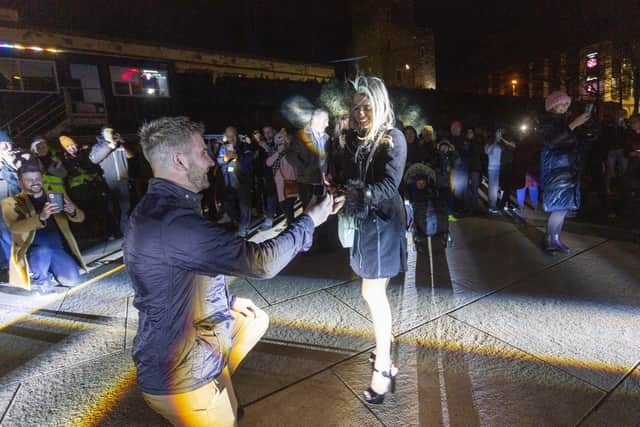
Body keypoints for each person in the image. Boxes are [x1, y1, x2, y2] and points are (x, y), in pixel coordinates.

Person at [124, 116, 340, 426]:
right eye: (202, 153)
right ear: (179, 160)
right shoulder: (174, 222)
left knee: (252, 320)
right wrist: (309, 221)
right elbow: (260, 262)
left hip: (179, 346)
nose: (211, 160)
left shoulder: (160, 209)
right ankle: (212, 398)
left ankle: (220, 386)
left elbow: (177, 277)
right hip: (180, 375)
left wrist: (227, 301)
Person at [334, 75, 406, 404]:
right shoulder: (357, 138)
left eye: (367, 106)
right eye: (357, 107)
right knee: (373, 291)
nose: (361, 112)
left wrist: (356, 192)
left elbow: (388, 187)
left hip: (384, 225)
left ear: (380, 105)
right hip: (366, 223)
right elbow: (348, 175)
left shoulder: (394, 138)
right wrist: (342, 191)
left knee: (372, 293)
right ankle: (383, 346)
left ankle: (385, 368)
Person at [2, 161, 85, 294]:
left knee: (73, 281)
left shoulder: (56, 195)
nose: (35, 182)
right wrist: (41, 217)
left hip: (57, 248)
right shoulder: (11, 202)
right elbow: (14, 227)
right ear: (20, 183)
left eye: (37, 178)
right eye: (29, 180)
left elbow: (81, 217)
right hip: (34, 251)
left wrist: (73, 212)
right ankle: (41, 280)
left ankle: (50, 270)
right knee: (43, 251)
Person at [540, 91, 591, 253]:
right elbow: (551, 141)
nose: (564, 107)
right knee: (558, 206)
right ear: (553, 105)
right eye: (561, 104)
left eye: (567, 104)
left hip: (568, 167)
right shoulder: (547, 122)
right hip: (555, 169)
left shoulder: (566, 121)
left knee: (563, 206)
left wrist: (588, 126)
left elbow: (582, 140)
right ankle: (549, 239)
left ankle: (555, 238)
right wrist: (573, 125)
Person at [90, 126, 131, 237]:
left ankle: (125, 232)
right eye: (107, 132)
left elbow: (131, 155)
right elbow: (94, 159)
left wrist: (123, 143)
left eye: (111, 132)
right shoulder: (98, 147)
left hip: (123, 180)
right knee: (111, 209)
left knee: (125, 208)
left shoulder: (120, 145)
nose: (110, 134)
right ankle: (114, 232)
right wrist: (110, 146)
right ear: (102, 134)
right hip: (108, 182)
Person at [289, 109, 330, 208]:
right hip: (306, 182)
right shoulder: (301, 135)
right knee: (309, 210)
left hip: (322, 180)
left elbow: (328, 158)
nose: (328, 124)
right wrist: (305, 168)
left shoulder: (327, 137)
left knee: (321, 209)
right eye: (325, 120)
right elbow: (290, 155)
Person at [266, 131, 298, 225]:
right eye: (279, 143)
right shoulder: (275, 152)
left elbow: (294, 168)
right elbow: (268, 163)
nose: (281, 145)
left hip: (289, 183)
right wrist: (277, 153)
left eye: (283, 142)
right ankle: (290, 221)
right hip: (279, 185)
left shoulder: (291, 152)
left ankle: (291, 224)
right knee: (283, 205)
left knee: (288, 206)